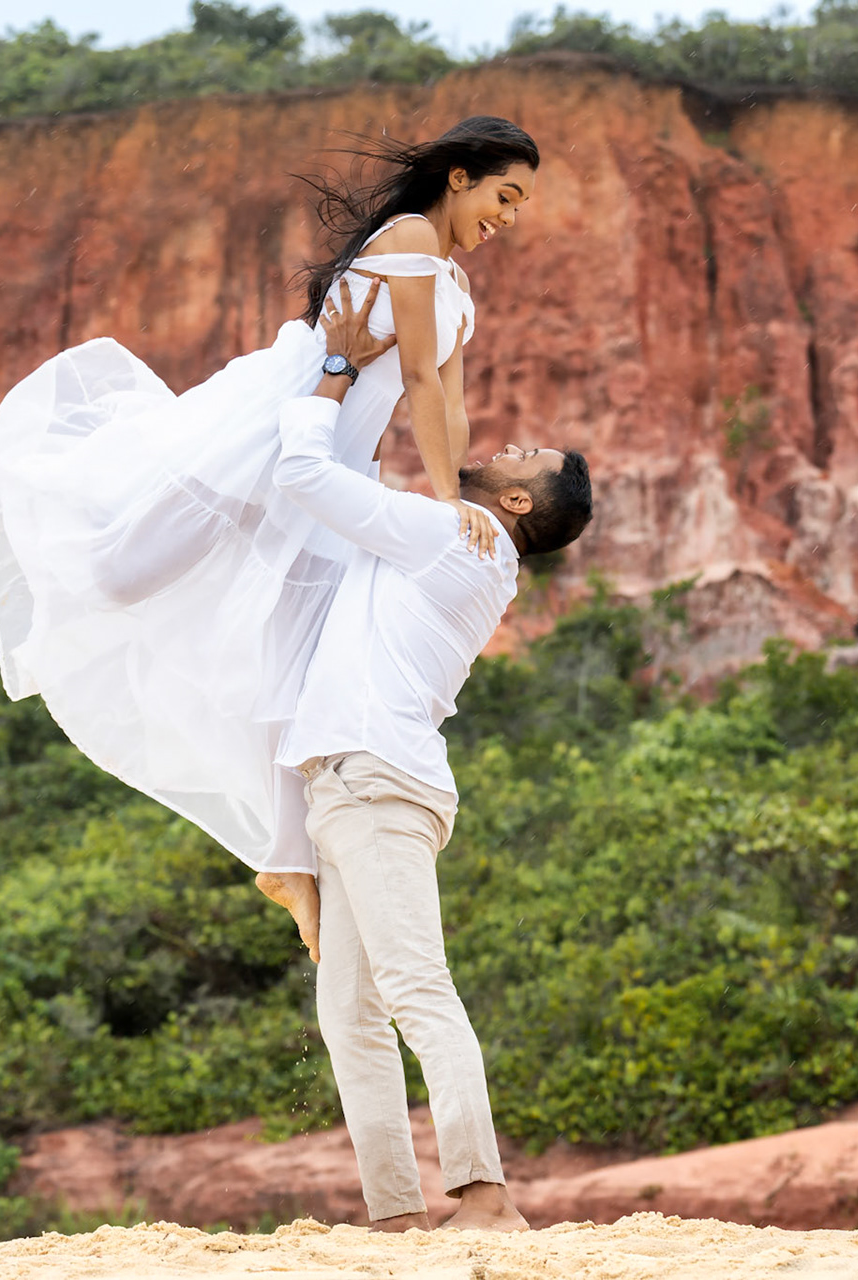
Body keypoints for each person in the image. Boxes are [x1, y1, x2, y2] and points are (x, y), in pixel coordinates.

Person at [0, 117, 540, 938]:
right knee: (118, 573)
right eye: (505, 194)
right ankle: (54, 551)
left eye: (520, 205)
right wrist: (453, 498)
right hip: (280, 424)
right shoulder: (413, 235)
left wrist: (449, 492)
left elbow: (447, 404)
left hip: (336, 467)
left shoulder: (456, 290)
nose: (510, 216)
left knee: (296, 666)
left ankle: (287, 865)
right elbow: (414, 372)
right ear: (459, 177)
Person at [277, 273, 593, 1230]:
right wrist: (421, 360)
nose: (502, 445)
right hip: (350, 783)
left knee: (415, 989)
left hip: (374, 784)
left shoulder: (460, 540)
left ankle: (485, 1195)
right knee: (351, 1017)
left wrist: (336, 364)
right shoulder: (444, 541)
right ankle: (395, 1216)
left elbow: (306, 476)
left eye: (520, 455)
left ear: (512, 499)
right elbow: (387, 460)